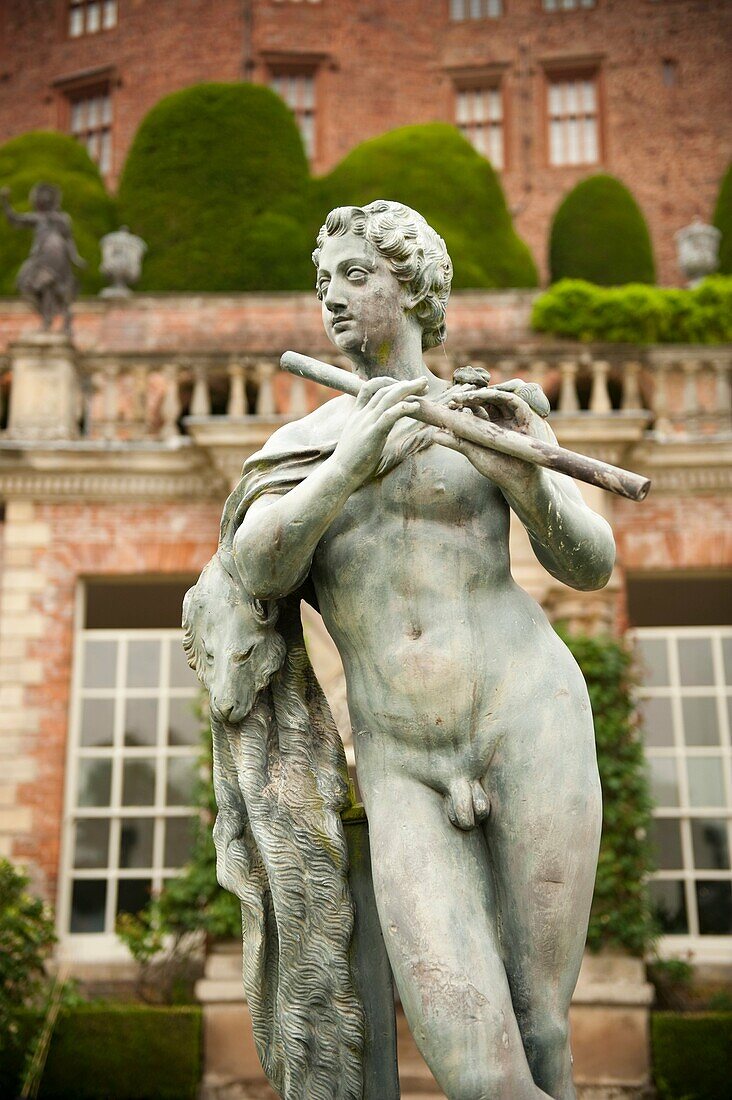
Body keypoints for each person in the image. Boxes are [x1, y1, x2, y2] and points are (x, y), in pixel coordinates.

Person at [232, 200, 615, 1100]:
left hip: (529, 714)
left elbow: (589, 562)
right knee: (478, 1065)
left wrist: (529, 478)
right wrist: (347, 464)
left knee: (543, 1027)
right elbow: (256, 564)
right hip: (401, 757)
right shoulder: (303, 444)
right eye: (323, 281)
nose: (331, 298)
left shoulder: (488, 411)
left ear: (413, 287)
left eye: (355, 276)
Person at [0, 183, 86, 335]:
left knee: (48, 284)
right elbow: (14, 219)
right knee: (29, 282)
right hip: (41, 254)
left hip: (56, 254)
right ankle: (57, 318)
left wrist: (75, 257)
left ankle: (51, 321)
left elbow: (68, 239)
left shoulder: (62, 218)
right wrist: (4, 202)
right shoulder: (38, 217)